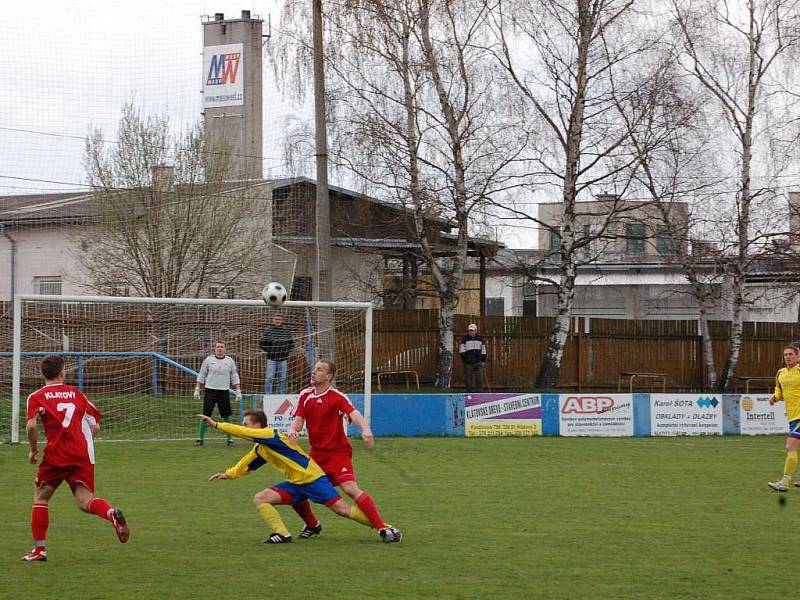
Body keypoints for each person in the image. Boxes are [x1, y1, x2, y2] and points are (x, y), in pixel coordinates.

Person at [198, 410, 396, 544]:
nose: (244, 426)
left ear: (257, 425)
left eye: (247, 424)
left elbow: (242, 433)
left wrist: (217, 425)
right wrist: (228, 474)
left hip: (312, 478)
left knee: (342, 509)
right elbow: (246, 463)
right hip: (296, 483)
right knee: (260, 498)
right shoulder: (262, 448)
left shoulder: (270, 435)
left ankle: (384, 527)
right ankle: (283, 534)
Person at [21, 355, 130, 562]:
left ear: (43, 373)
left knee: (41, 497)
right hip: (82, 454)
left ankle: (39, 550)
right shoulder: (76, 394)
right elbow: (95, 425)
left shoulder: (36, 396)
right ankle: (110, 514)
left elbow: (32, 425)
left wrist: (33, 450)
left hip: (56, 455)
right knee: (84, 500)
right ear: (62, 373)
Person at [287, 359, 402, 543]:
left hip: (338, 454)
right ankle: (312, 524)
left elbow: (354, 413)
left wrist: (365, 429)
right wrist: (293, 429)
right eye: (314, 369)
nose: (314, 372)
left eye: (319, 370)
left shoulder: (337, 396)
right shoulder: (305, 395)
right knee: (295, 488)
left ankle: (382, 527)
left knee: (349, 488)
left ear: (329, 376)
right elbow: (299, 418)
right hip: (316, 456)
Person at [195, 340, 242, 447]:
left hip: (224, 391)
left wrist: (238, 390)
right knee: (206, 415)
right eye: (218, 347)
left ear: (225, 349)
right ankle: (200, 439)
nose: (220, 349)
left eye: (222, 347)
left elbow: (234, 376)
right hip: (210, 391)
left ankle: (230, 439)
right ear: (214, 349)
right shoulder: (208, 360)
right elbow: (202, 374)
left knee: (226, 416)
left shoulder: (230, 361)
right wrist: (197, 388)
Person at [767, 344, 800, 492]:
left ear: (798, 356)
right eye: (786, 354)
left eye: (791, 354)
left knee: (790, 446)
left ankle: (784, 482)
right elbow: (779, 391)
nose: (787, 357)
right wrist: (774, 398)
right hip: (792, 416)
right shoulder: (780, 373)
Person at [259, 313, 294, 395]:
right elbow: (261, 343)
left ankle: (281, 395)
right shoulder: (269, 331)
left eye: (279, 319)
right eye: (276, 319)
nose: (278, 321)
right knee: (269, 378)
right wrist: (270, 351)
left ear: (282, 321)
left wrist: (286, 352)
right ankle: (268, 395)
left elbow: (291, 344)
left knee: (282, 378)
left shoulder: (286, 332)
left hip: (283, 359)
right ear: (273, 320)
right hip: (271, 359)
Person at [459, 323, 487, 393]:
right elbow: (462, 351)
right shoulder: (464, 339)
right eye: (470, 330)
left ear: (476, 331)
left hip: (478, 362)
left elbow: (483, 350)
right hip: (468, 363)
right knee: (468, 380)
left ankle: (479, 394)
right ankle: (469, 394)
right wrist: (465, 360)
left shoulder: (480, 339)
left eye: (472, 330)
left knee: (479, 379)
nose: (471, 332)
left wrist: (483, 360)